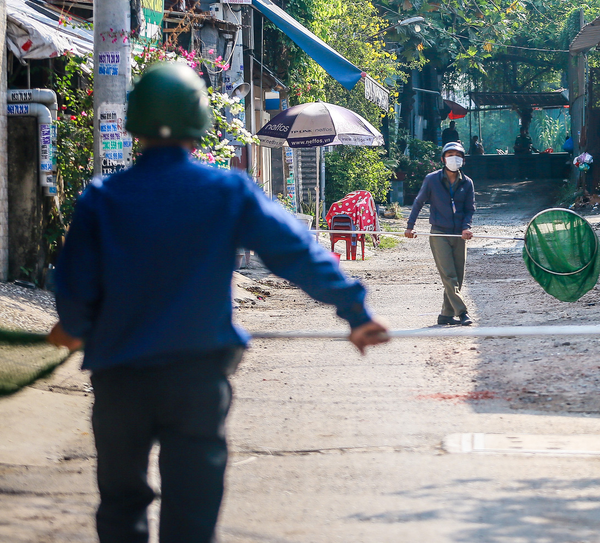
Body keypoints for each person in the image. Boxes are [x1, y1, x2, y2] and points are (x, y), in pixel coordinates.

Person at [45, 63, 389, 543]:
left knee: (121, 503)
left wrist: (75, 323)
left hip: (120, 377)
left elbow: (75, 284)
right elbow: (296, 254)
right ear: (200, 124)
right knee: (192, 505)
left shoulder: (101, 198)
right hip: (197, 377)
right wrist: (355, 312)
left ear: (135, 124)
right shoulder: (225, 192)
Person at [404, 142, 476, 325]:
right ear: (443, 159)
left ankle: (445, 314)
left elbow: (470, 209)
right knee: (449, 275)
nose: (454, 158)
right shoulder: (432, 179)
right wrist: (410, 226)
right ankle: (462, 312)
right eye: (450, 154)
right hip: (439, 233)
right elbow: (418, 202)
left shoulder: (467, 183)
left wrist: (466, 227)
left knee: (457, 277)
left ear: (463, 160)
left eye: (458, 155)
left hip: (459, 235)